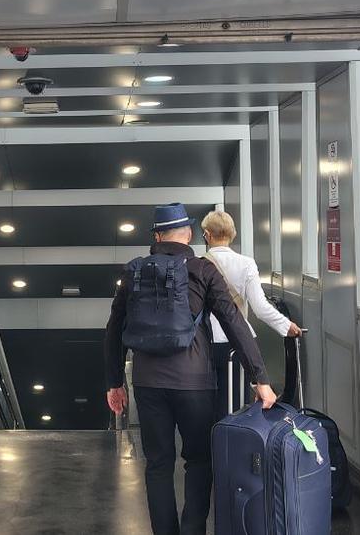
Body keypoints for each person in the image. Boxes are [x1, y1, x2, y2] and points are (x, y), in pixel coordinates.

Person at [104, 203, 276, 535]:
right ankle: (193, 529)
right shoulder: (202, 269)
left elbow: (114, 329)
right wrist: (260, 379)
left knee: (157, 464)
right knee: (198, 460)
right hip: (195, 382)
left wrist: (115, 382)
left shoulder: (132, 271)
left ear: (156, 236)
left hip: (148, 383)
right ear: (189, 234)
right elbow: (235, 323)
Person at [200, 210, 302, 420]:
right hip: (240, 340)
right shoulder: (246, 264)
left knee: (207, 400)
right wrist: (286, 326)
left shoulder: (199, 264)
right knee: (236, 399)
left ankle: (209, 445)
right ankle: (234, 441)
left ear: (207, 235)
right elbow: (260, 307)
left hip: (206, 340)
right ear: (232, 234)